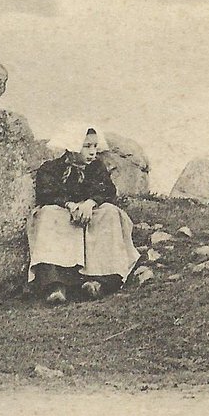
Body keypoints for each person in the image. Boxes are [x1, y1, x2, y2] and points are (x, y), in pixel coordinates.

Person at [27, 122, 140, 304]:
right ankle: (56, 286)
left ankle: (99, 282)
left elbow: (107, 190)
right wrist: (70, 205)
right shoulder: (51, 168)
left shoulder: (97, 167)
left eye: (94, 146)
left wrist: (90, 203)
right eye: (87, 146)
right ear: (72, 146)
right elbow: (46, 192)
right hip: (64, 211)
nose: (92, 152)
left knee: (110, 213)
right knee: (48, 215)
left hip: (91, 212)